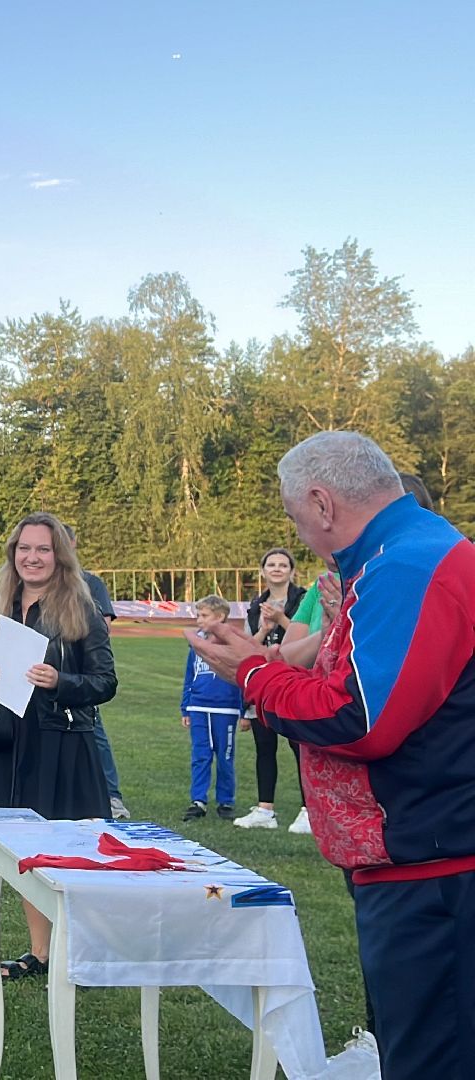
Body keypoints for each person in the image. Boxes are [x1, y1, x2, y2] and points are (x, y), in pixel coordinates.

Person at [195, 430, 475, 1078]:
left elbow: (361, 718)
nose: (301, 536)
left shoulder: (405, 563)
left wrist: (253, 676)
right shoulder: (405, 554)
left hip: (434, 877)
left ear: (322, 504)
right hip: (424, 864)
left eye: (297, 519)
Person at [0, 510, 117, 980]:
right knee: (20, 852)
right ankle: (42, 954)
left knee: (67, 852)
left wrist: (60, 681)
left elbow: (104, 682)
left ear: (59, 556)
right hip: (7, 744)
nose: (32, 558)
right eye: (24, 549)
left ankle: (83, 952)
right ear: (13, 555)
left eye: (43, 549)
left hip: (60, 746)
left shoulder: (81, 608)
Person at [231, 547, 308, 832]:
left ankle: (308, 811)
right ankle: (265, 810)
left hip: (296, 680)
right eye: (271, 564)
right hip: (263, 683)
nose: (277, 569)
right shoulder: (255, 605)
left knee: (301, 748)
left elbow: (311, 638)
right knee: (265, 747)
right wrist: (264, 628)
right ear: (262, 571)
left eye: (283, 565)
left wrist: (281, 619)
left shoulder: (302, 599)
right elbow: (251, 645)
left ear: (291, 571)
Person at [65, 527, 128, 819]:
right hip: (39, 678)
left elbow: (102, 628)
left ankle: (111, 796)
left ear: (73, 544)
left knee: (94, 734)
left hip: (80, 678)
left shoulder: (90, 583)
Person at [179, 596, 242, 822]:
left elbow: (242, 677)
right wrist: (185, 707)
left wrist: (244, 710)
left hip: (226, 709)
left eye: (204, 616)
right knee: (201, 755)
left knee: (225, 756)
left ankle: (226, 801)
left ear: (220, 617)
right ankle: (198, 800)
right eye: (198, 615)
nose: (199, 620)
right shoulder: (197, 645)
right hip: (198, 706)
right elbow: (189, 676)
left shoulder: (233, 644)